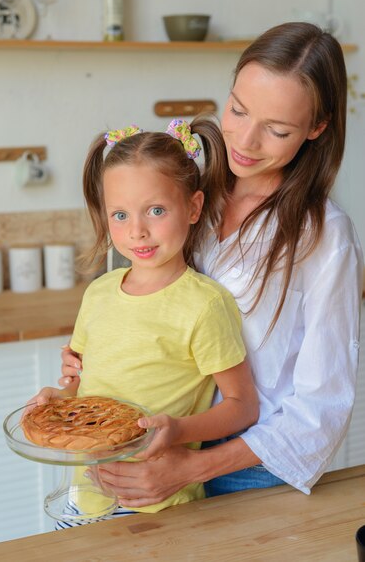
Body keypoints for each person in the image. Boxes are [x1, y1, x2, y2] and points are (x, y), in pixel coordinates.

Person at [60, 22, 363, 506]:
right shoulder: (189, 196)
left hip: (252, 469)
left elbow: (321, 406)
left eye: (278, 129)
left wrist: (195, 466)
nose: (245, 139)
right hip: (156, 449)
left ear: (317, 127)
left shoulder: (325, 235)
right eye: (238, 110)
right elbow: (156, 309)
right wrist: (96, 355)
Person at [27, 116, 259, 521]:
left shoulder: (204, 305)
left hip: (161, 505)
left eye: (155, 210)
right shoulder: (98, 293)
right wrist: (56, 400)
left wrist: (180, 430)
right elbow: (83, 387)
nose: (137, 231)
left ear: (193, 207)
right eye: (120, 215)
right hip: (86, 497)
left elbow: (243, 406)